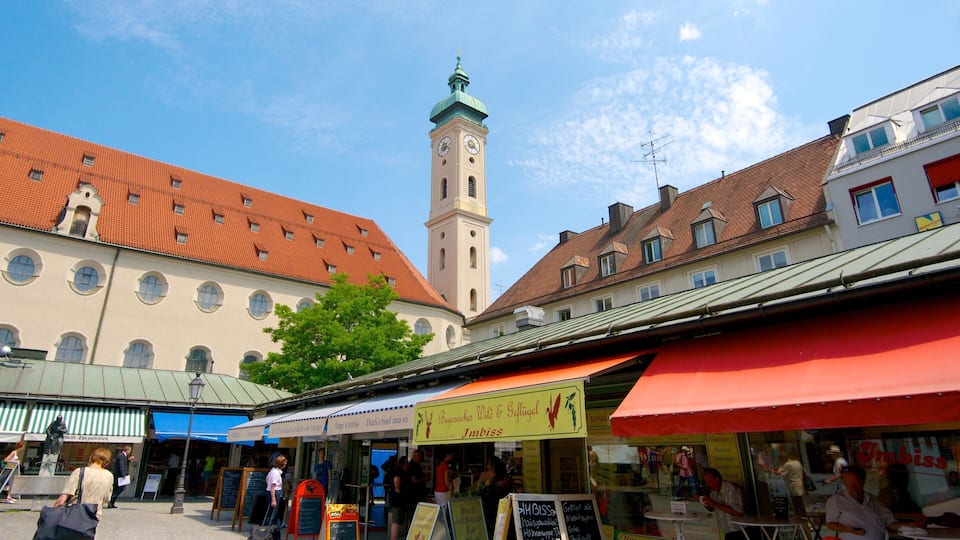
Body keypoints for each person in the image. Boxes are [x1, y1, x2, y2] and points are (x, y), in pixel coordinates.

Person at [826, 465, 904, 540]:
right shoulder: (836, 500)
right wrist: (850, 530)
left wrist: (912, 527)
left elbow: (890, 523)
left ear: (863, 481)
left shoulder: (873, 500)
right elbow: (831, 524)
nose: (853, 487)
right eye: (848, 483)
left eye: (856, 482)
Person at [55, 447, 114, 520]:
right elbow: (107, 498)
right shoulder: (109, 476)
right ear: (107, 462)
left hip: (74, 513)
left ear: (91, 458)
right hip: (94, 515)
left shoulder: (79, 472)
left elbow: (62, 499)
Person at [700, 467, 746, 540]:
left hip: (741, 532)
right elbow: (711, 508)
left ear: (717, 479)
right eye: (706, 482)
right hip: (728, 532)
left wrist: (713, 503)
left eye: (709, 481)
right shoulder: (714, 492)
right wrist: (705, 502)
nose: (707, 484)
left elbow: (738, 512)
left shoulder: (732, 490)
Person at [761, 451, 805, 516]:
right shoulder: (797, 462)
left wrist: (769, 469)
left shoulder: (788, 464)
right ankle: (803, 517)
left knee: (796, 503)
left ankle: (800, 517)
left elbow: (778, 473)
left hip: (793, 486)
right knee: (800, 502)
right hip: (800, 484)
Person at [265, 454, 287, 537]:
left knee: (275, 515)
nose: (285, 465)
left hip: (271, 492)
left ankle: (277, 535)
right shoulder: (276, 473)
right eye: (284, 463)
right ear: (281, 464)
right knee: (273, 515)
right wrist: (273, 499)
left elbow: (267, 479)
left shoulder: (273, 471)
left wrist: (268, 486)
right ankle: (272, 534)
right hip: (274, 493)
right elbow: (273, 487)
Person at [389, 456, 411, 540]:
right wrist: (398, 490)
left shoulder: (403, 472)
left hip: (402, 501)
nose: (408, 465)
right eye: (407, 463)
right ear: (403, 463)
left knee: (399, 521)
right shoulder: (398, 471)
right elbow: (396, 480)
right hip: (398, 501)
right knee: (396, 522)